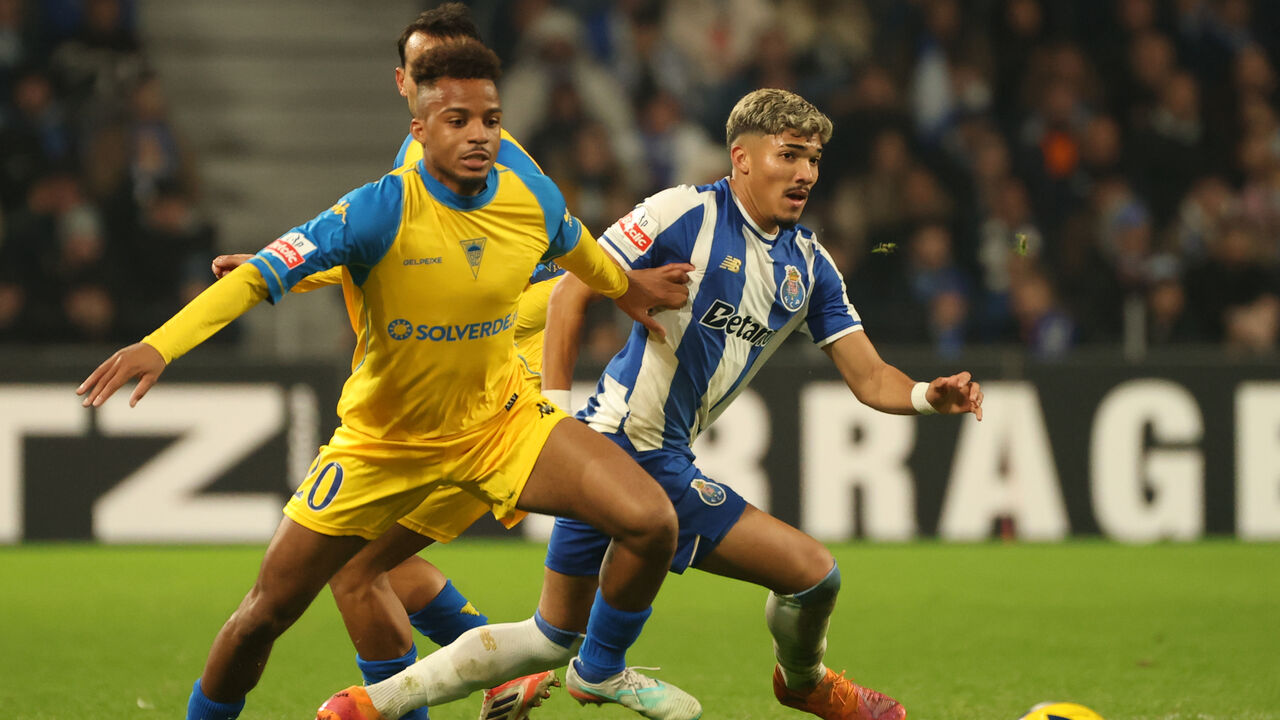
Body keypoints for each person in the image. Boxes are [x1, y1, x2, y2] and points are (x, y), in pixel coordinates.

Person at [78, 41, 700, 720]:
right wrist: (161, 346)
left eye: (489, 120)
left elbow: (579, 248)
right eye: (458, 120)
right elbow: (259, 278)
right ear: (419, 127)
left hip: (499, 424)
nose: (479, 135)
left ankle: (593, 668)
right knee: (265, 615)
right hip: (383, 445)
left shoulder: (532, 198)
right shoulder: (377, 208)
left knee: (649, 520)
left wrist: (627, 286)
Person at [325, 88, 983, 720]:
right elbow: (571, 291)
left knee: (549, 636)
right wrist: (552, 413)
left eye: (813, 158)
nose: (805, 171)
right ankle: (801, 685)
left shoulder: (809, 265)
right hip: (621, 444)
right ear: (743, 158)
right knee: (813, 574)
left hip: (650, 452)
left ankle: (367, 705)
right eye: (789, 154)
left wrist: (928, 396)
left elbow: (869, 377)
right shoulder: (681, 212)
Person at [210, 7, 575, 718]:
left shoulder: (493, 159)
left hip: (482, 403)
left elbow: (570, 272)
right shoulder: (418, 162)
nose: (432, 80)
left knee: (355, 569)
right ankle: (496, 664)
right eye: (420, 69)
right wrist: (281, 269)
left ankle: (449, 684)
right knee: (370, 565)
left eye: (448, 66)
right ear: (404, 81)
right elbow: (373, 255)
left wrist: (546, 380)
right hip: (433, 401)